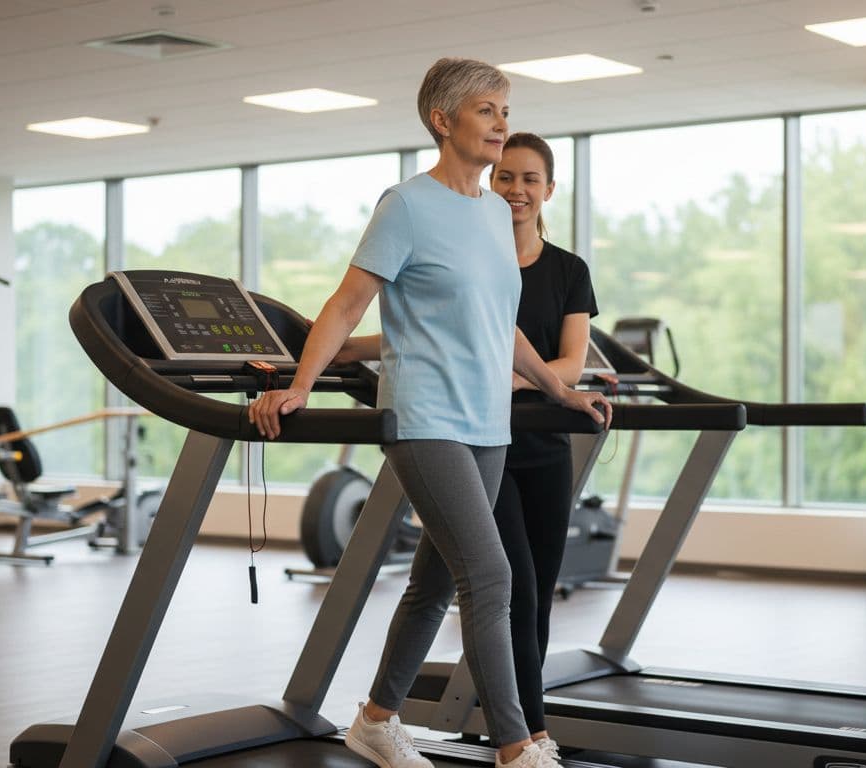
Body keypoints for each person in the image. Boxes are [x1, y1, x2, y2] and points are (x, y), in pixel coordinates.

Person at [248, 58, 612, 768]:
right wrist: (299, 383)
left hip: (487, 422)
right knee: (493, 574)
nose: (502, 124)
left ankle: (377, 719)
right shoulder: (407, 205)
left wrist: (559, 389)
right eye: (487, 110)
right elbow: (348, 302)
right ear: (442, 121)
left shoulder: (489, 212)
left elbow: (496, 324)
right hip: (426, 417)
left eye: (506, 110)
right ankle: (518, 746)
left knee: (436, 579)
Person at [487, 132, 600, 761]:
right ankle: (530, 733)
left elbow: (573, 362)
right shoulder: (477, 262)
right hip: (486, 443)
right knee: (516, 589)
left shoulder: (569, 271)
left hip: (546, 447)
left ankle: (517, 718)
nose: (517, 191)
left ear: (548, 189)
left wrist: (517, 375)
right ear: (489, 184)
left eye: (529, 179)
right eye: (505, 178)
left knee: (541, 593)